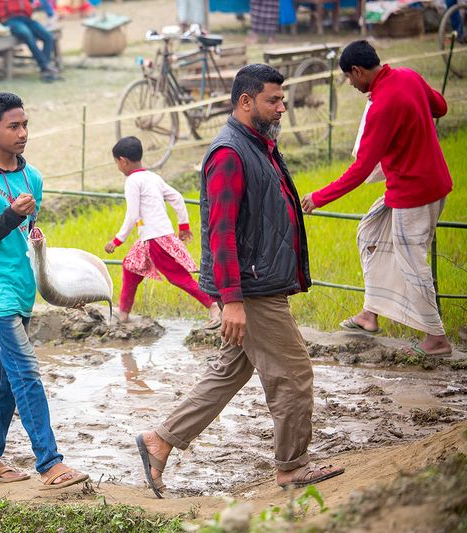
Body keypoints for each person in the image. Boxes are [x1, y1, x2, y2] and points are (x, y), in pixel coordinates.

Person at [135, 64, 344, 498]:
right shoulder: (230, 152)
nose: (282, 107)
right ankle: (292, 467)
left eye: (282, 99)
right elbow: (221, 231)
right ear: (246, 101)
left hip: (256, 281)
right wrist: (232, 300)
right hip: (251, 288)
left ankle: (161, 439)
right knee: (293, 373)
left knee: (230, 371)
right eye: (274, 100)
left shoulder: (259, 144)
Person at [0, 92, 88, 489]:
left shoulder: (33, 178)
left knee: (3, 378)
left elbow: (26, 236)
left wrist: (54, 271)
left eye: (25, 124)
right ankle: (49, 463)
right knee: (26, 372)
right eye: (13, 126)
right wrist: (11, 214)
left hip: (23, 288)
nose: (22, 133)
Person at [300, 40, 453, 358]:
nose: (352, 85)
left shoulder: (382, 105)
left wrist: (319, 197)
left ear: (357, 71)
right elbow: (441, 107)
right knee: (370, 232)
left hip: (414, 193)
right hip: (427, 183)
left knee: (413, 262)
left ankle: (436, 339)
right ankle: (370, 314)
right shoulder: (409, 77)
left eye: (349, 78)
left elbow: (361, 169)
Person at [104, 136, 221, 327]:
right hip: (153, 237)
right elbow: (177, 198)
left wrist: (117, 241)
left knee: (179, 277)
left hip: (155, 238)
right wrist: (183, 226)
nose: (118, 167)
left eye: (117, 163)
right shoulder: (153, 177)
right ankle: (123, 312)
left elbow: (132, 214)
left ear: (123, 160)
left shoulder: (133, 181)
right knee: (130, 266)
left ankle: (214, 305)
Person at [0, 0, 61, 82]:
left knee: (48, 36)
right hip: (11, 19)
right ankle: (45, 66)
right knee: (27, 34)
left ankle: (45, 70)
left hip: (26, 18)